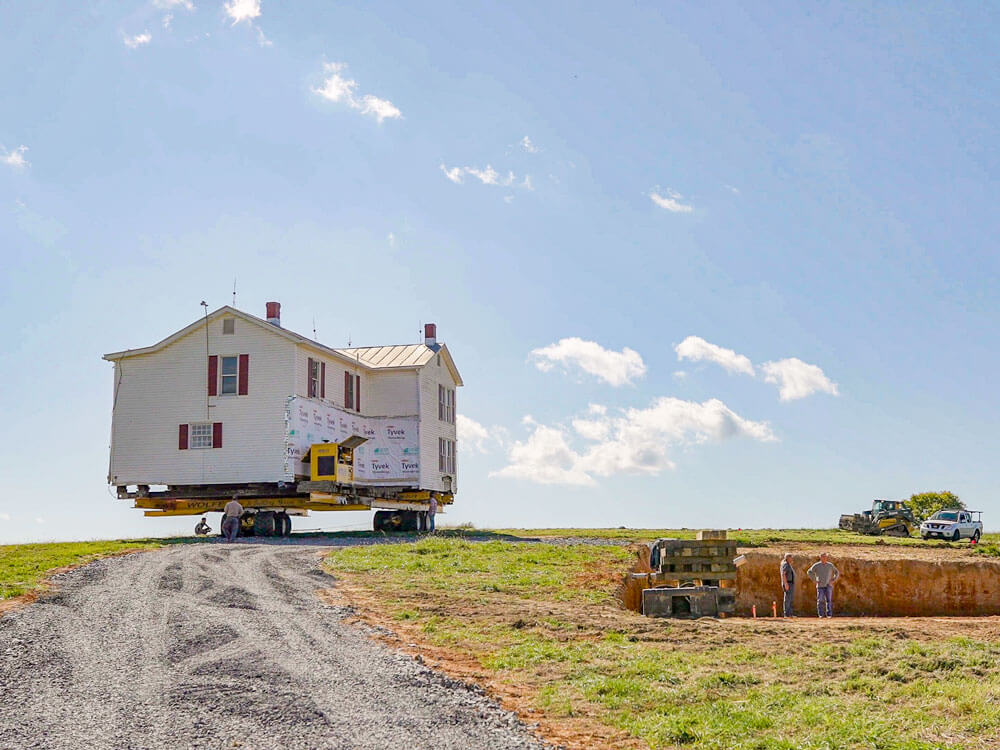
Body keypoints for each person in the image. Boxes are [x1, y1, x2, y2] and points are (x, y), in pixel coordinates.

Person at [807, 553, 840, 618]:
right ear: (820, 558)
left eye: (825, 557)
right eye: (823, 557)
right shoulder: (817, 565)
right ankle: (821, 615)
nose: (824, 558)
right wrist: (815, 579)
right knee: (820, 600)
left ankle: (829, 615)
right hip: (820, 586)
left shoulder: (830, 565)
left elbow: (837, 572)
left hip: (828, 585)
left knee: (829, 600)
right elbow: (809, 572)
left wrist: (833, 579)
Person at [780, 553, 795, 617]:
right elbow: (783, 574)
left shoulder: (788, 564)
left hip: (790, 583)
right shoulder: (785, 564)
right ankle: (787, 614)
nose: (792, 559)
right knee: (788, 598)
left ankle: (790, 613)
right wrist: (786, 583)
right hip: (788, 583)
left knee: (790, 598)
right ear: (788, 558)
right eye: (791, 557)